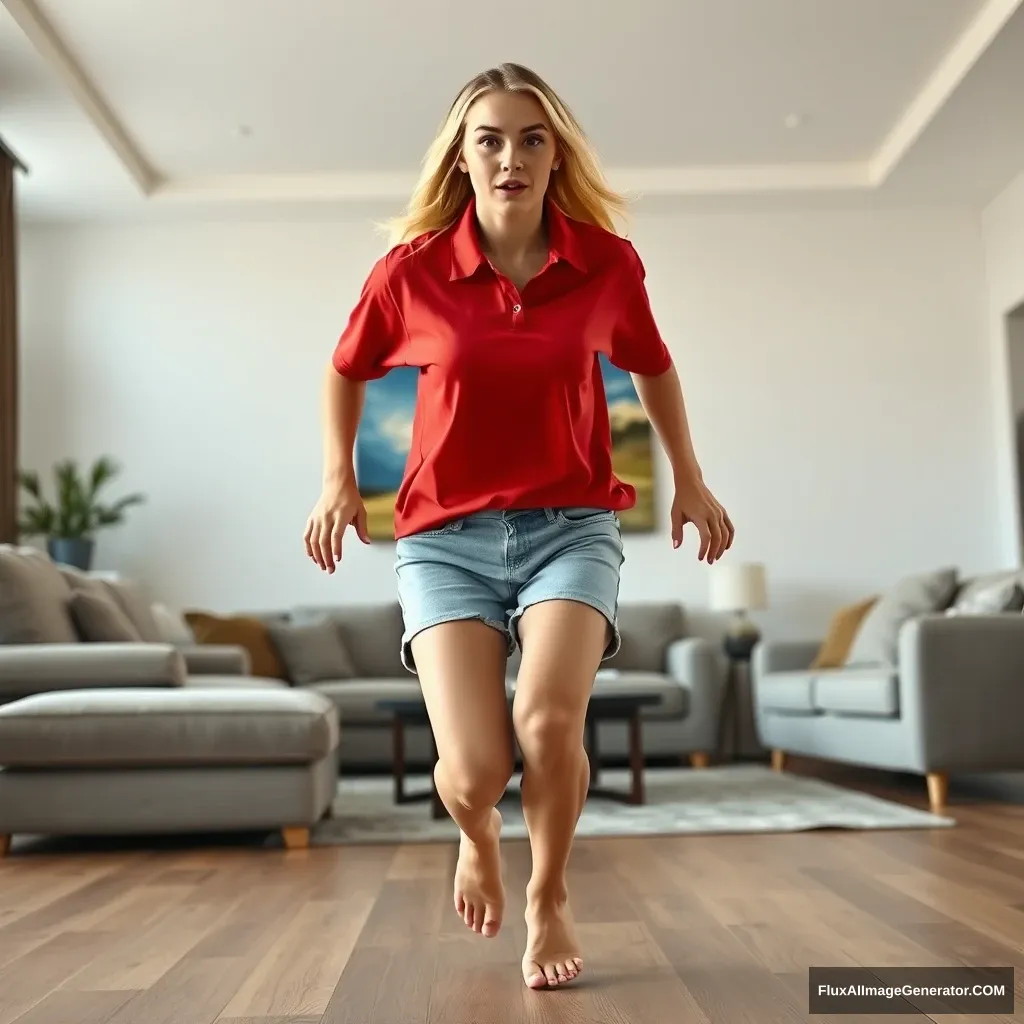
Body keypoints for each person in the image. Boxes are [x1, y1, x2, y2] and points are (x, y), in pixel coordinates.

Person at [304, 62, 734, 990]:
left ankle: (549, 894)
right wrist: (339, 479)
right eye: (489, 140)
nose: (511, 157)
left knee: (548, 721)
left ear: (554, 153)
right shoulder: (412, 271)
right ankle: (475, 842)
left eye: (531, 139)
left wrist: (690, 480)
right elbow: (346, 368)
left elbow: (653, 365)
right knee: (473, 770)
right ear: (463, 158)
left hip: (569, 529)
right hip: (444, 541)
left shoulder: (605, 263)